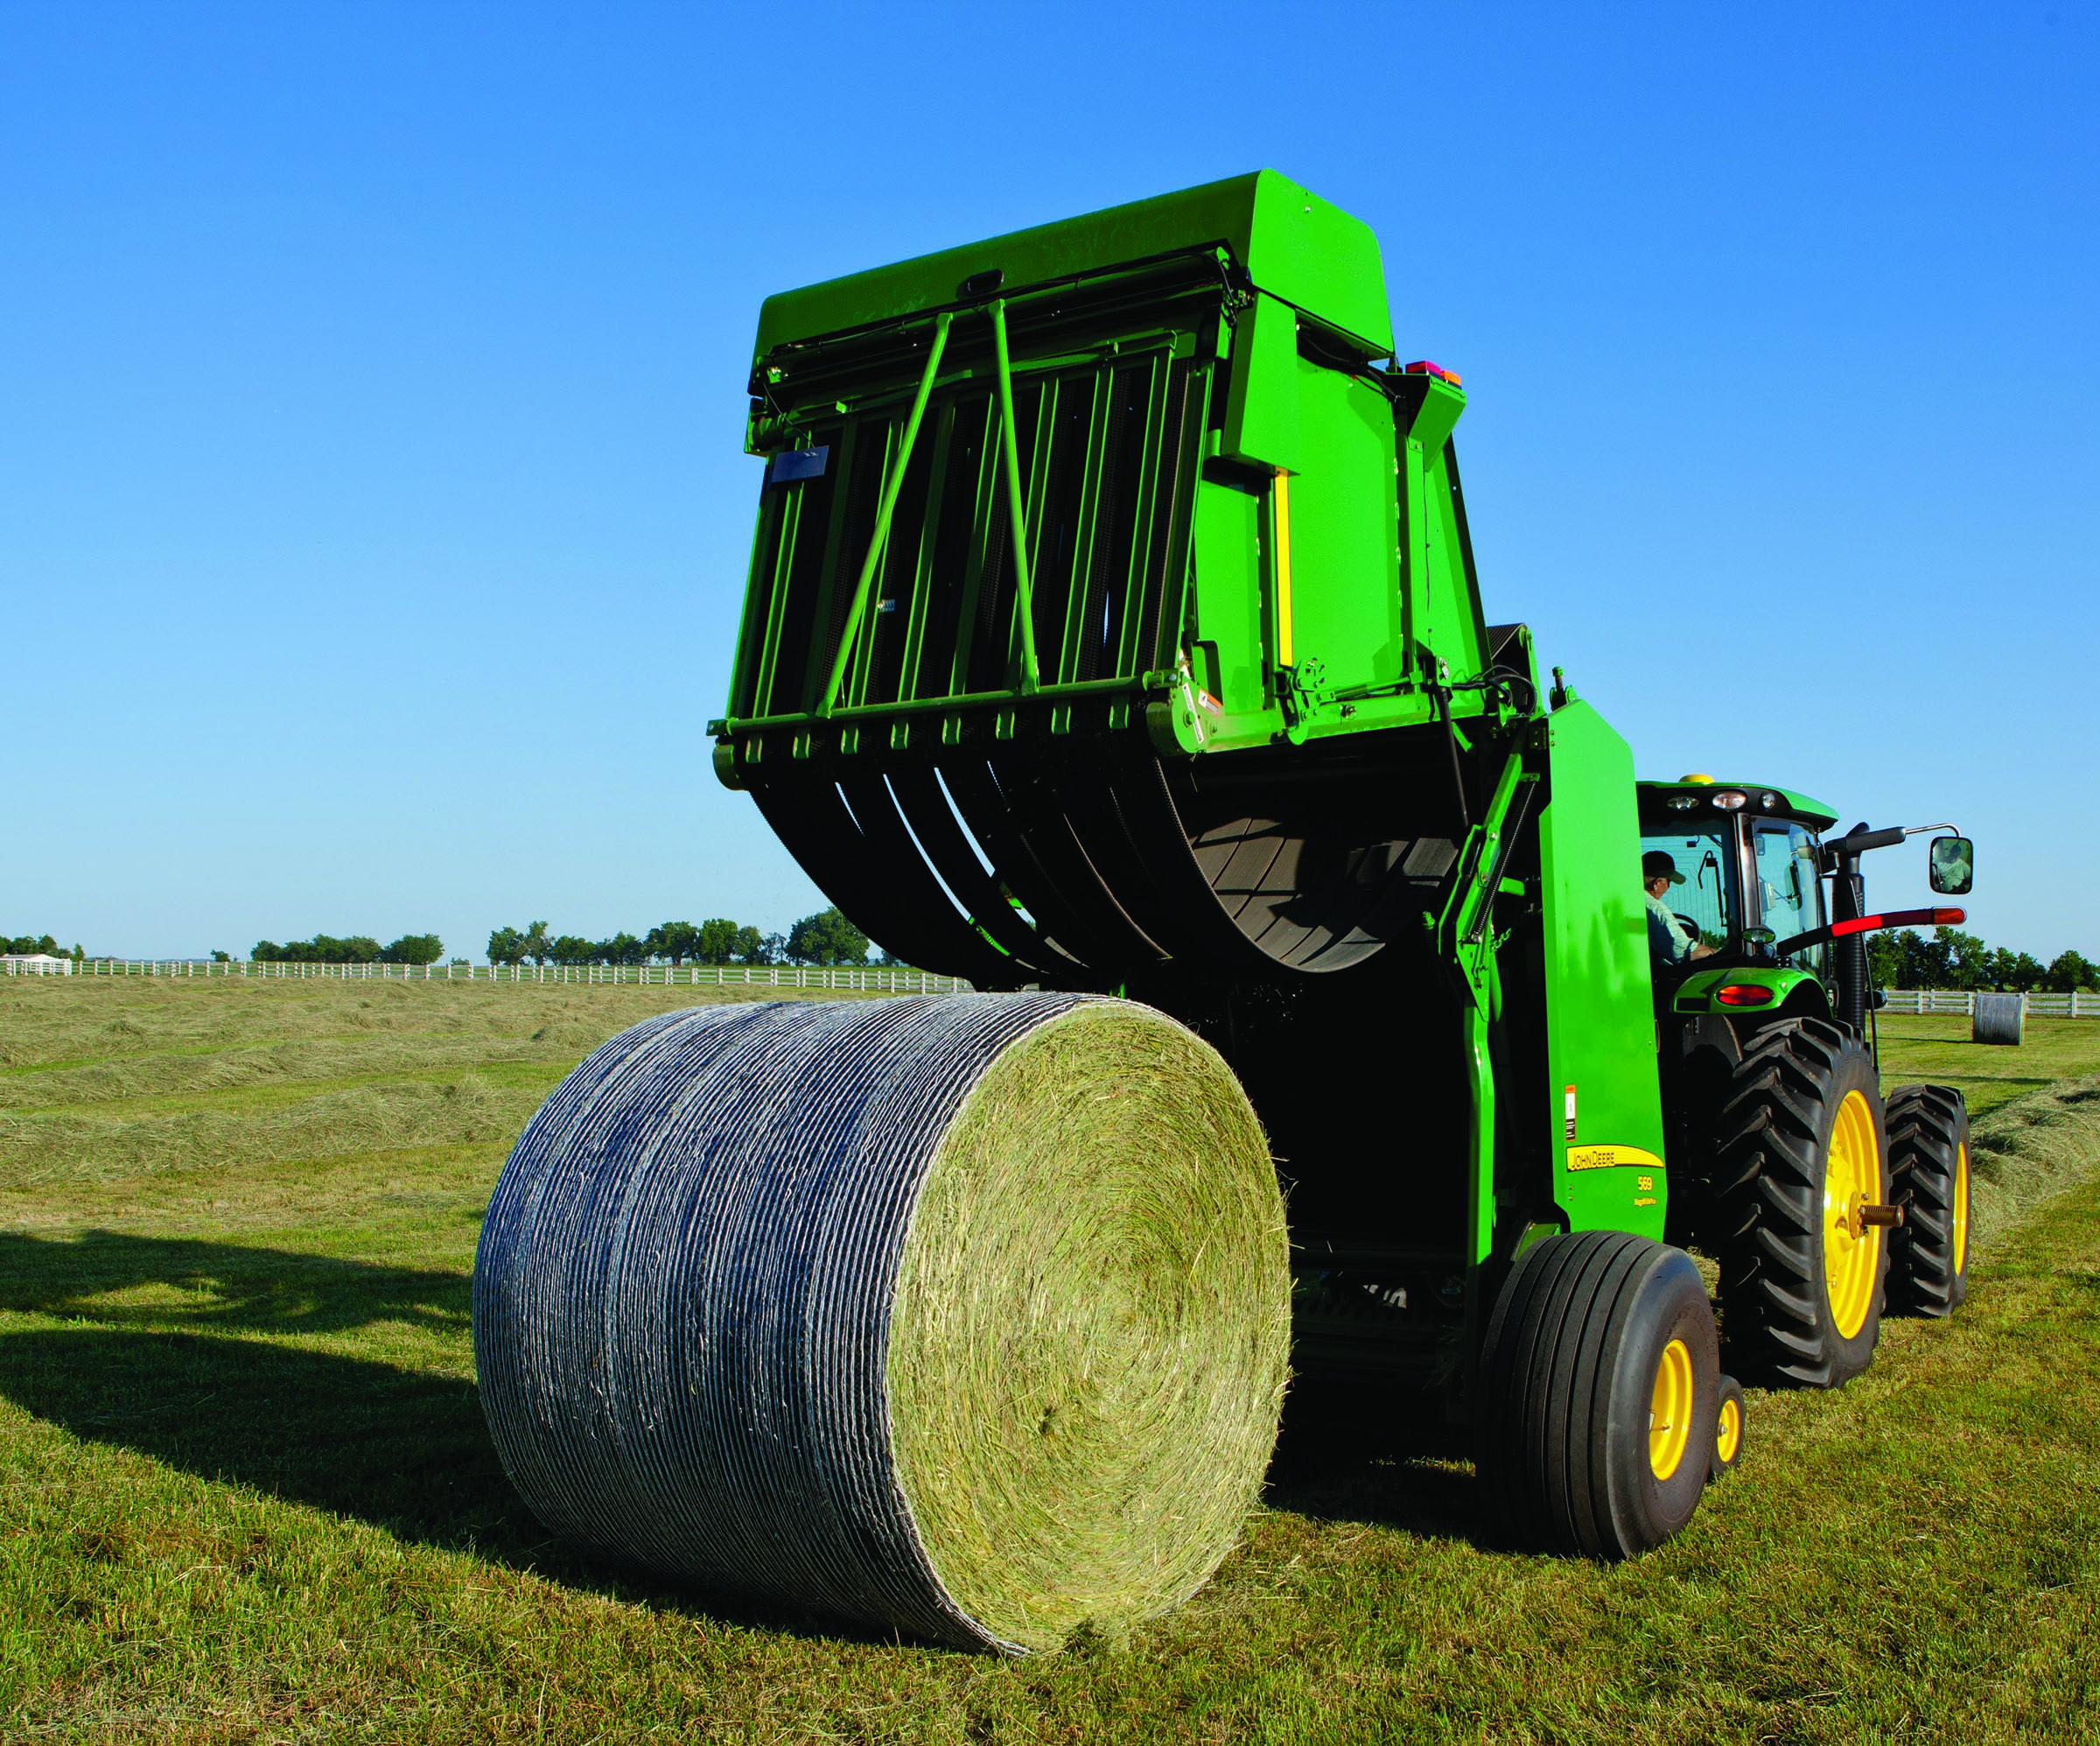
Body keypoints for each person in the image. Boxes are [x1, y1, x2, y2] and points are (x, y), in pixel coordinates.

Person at [1644, 851, 1714, 967]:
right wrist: (1718, 952)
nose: (1668, 887)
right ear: (1657, 883)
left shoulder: (1632, 900)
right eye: (1669, 882)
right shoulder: (1654, 908)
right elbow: (1684, 953)